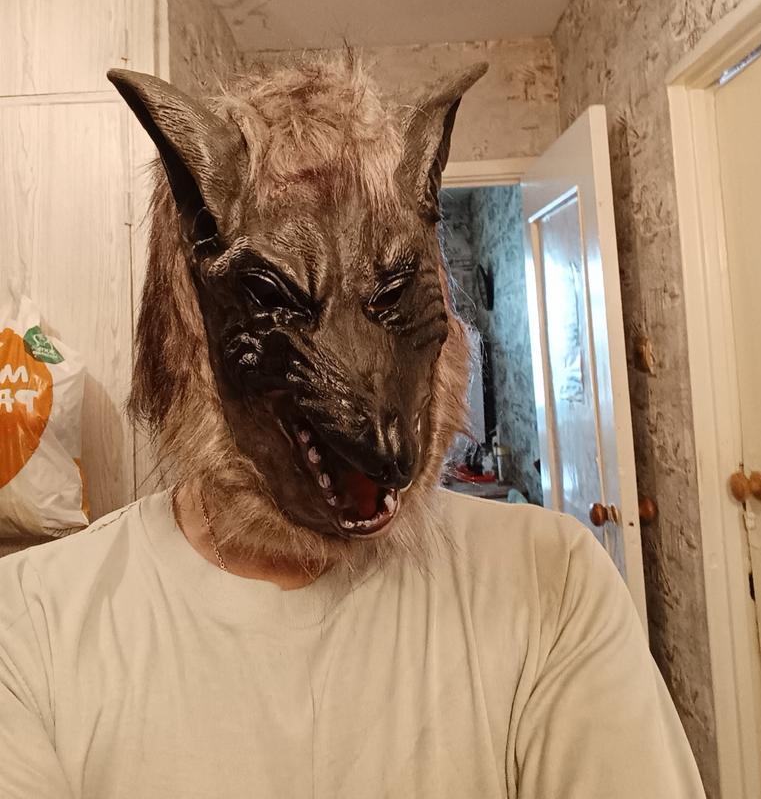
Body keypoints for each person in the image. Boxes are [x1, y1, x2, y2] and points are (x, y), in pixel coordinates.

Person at [0, 57, 705, 798]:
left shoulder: (553, 581)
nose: (385, 440)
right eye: (283, 293)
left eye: (393, 291)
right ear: (188, 319)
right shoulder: (31, 621)